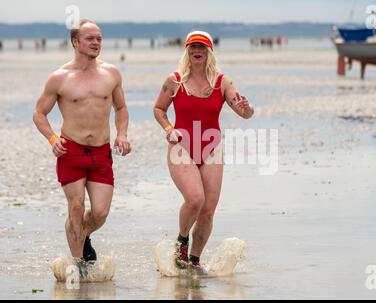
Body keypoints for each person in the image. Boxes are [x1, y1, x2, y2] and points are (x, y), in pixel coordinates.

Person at [32, 19, 131, 273]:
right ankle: (79, 265)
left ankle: (82, 235)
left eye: (99, 38)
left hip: (101, 151)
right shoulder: (59, 78)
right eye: (90, 38)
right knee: (76, 207)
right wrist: (53, 139)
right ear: (76, 42)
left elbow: (121, 108)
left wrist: (122, 134)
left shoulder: (111, 73)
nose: (96, 42)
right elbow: (39, 114)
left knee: (100, 212)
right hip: (71, 150)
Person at [153, 30, 254, 275]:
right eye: (192, 47)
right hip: (181, 147)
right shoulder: (174, 80)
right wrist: (168, 129)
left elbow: (244, 113)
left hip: (211, 149)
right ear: (187, 51)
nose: (197, 51)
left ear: (210, 52)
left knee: (208, 210)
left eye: (202, 47)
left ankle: (194, 262)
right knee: (195, 199)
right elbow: (158, 109)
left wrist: (246, 109)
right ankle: (182, 242)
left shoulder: (222, 82)